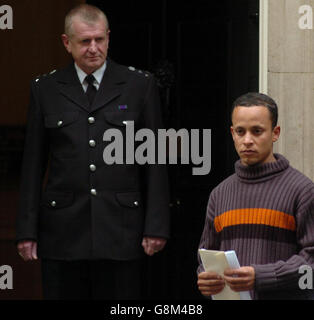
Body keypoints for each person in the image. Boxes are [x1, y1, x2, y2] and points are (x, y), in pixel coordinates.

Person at [16, 4, 170, 300]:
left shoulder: (140, 85)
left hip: (121, 229)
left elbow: (155, 162)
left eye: (99, 39)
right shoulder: (45, 89)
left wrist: (157, 225)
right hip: (62, 232)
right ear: (66, 43)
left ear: (109, 38)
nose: (93, 48)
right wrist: (26, 231)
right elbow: (32, 164)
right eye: (85, 41)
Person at [197, 92, 314, 300]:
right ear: (232, 133)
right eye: (240, 132)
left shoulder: (303, 190)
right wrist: (205, 278)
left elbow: (311, 263)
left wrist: (260, 277)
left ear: (275, 133)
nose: (247, 140)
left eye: (257, 131)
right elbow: (206, 256)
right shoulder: (219, 194)